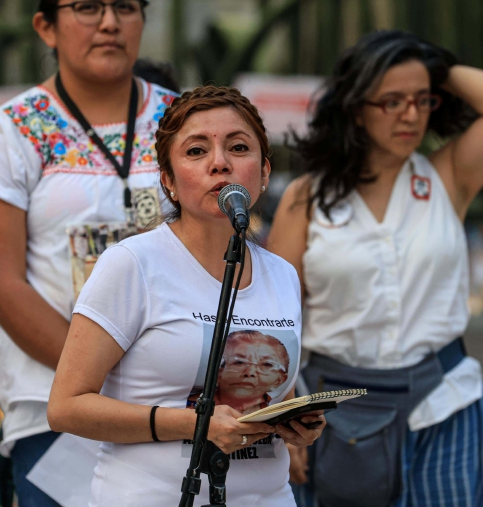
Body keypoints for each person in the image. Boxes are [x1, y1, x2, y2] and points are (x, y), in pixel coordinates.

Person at [0, 0, 178, 506]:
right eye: (87, 6)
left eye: (125, 6)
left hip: (181, 402)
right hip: (60, 407)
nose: (109, 22)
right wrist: (102, 373)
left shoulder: (183, 119)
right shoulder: (8, 133)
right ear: (46, 26)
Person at [47, 85, 326, 507]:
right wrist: (194, 423)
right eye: (196, 151)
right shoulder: (133, 264)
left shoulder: (281, 274)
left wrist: (292, 420)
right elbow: (66, 407)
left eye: (238, 147)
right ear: (168, 181)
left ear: (264, 173)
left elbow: (267, 391)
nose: (220, 163)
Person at [268, 30, 483, 506]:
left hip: (443, 399)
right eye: (392, 100)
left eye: (422, 99)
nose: (411, 114)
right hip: (331, 409)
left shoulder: (447, 176)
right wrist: (280, 410)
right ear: (357, 108)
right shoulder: (308, 197)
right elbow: (270, 314)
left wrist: (429, 63)